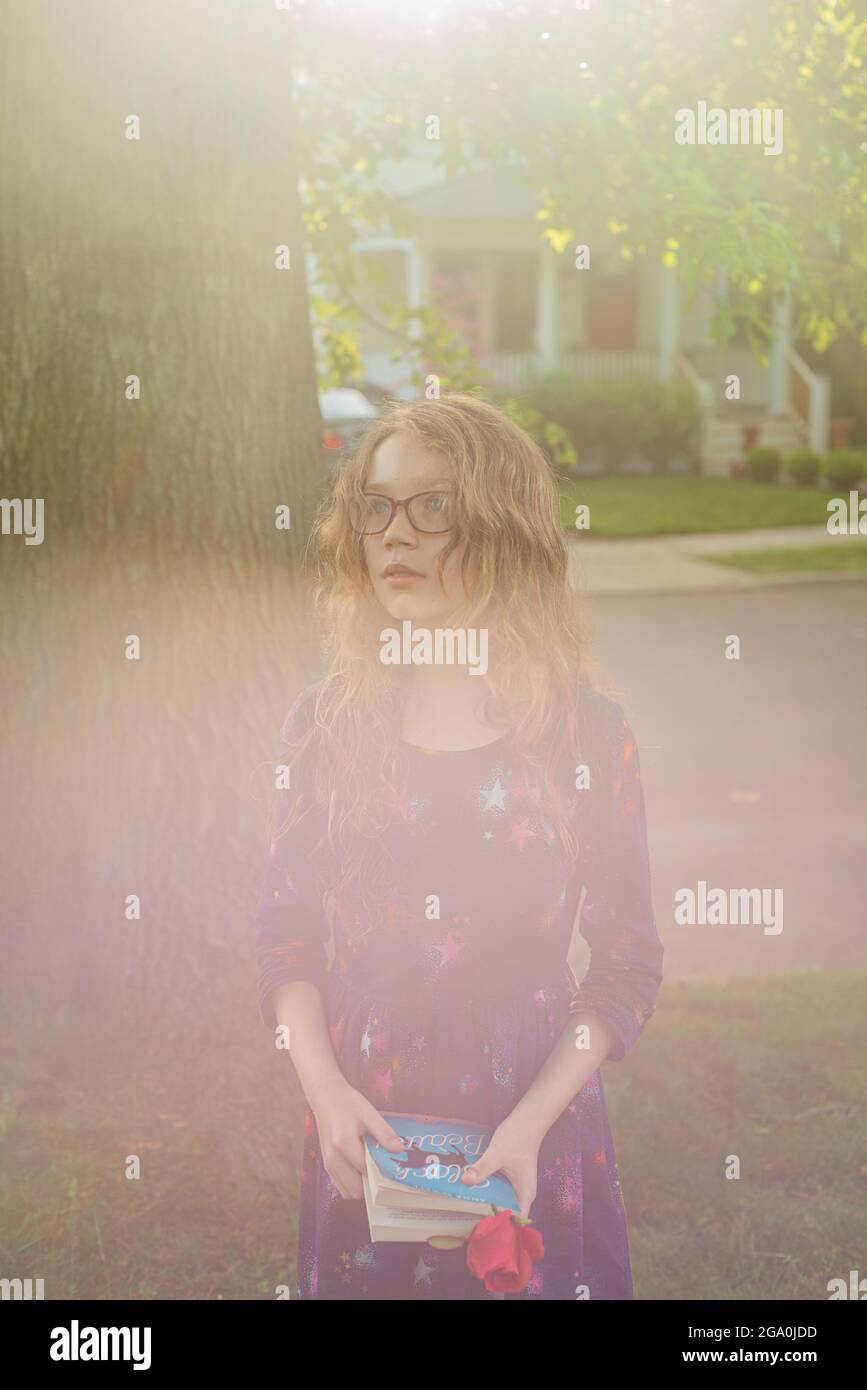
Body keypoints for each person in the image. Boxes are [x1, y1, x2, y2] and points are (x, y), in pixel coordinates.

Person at [255, 393, 664, 1299]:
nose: (396, 533)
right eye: (376, 504)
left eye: (434, 505)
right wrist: (325, 1095)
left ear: (503, 527)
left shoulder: (587, 736)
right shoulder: (321, 727)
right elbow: (284, 937)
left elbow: (627, 961)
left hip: (534, 1121)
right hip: (367, 1120)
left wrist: (530, 1123)